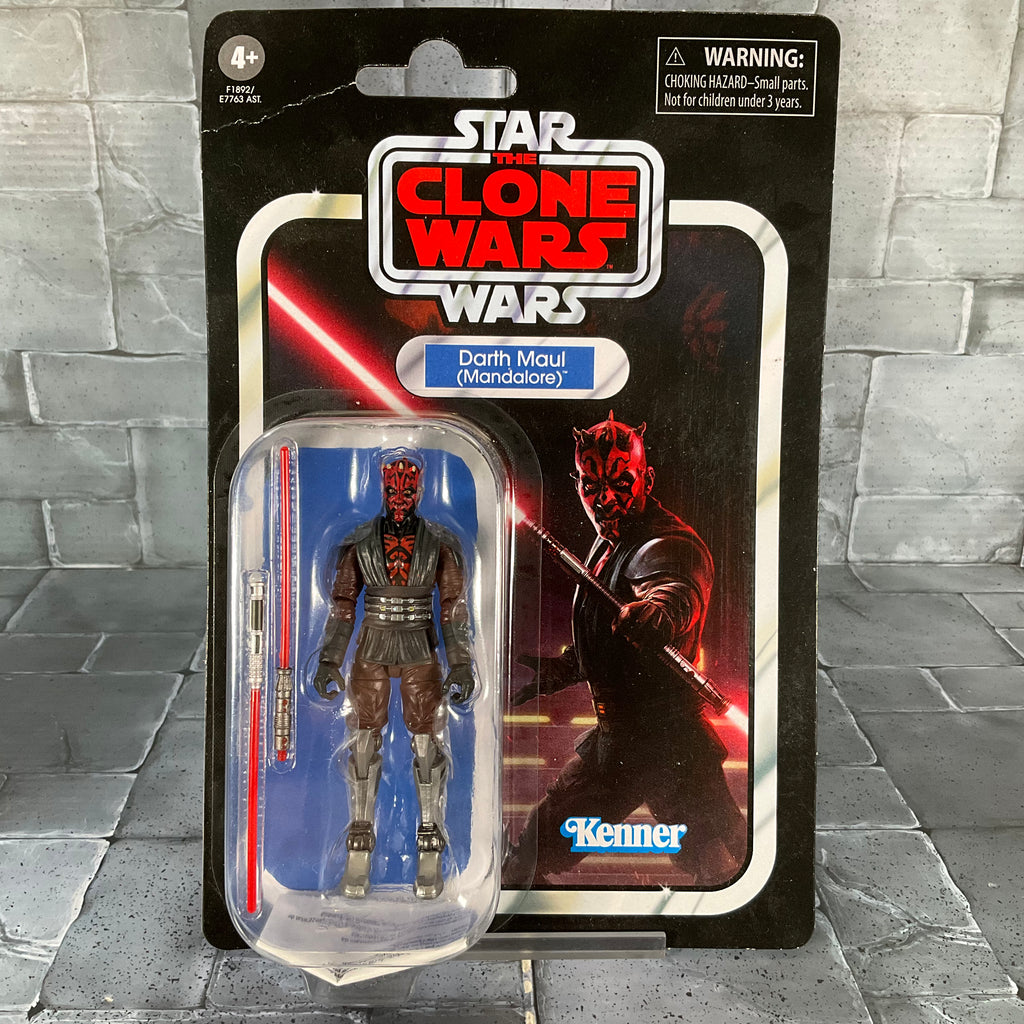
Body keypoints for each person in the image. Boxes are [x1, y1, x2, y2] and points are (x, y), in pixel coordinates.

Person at [506, 413, 746, 886]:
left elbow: (675, 589)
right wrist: (567, 668)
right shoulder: (612, 541)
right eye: (592, 485)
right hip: (623, 741)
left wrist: (658, 615)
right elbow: (609, 636)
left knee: (722, 857)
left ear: (646, 480)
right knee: (537, 846)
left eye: (620, 482)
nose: (605, 499)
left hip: (666, 743)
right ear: (578, 484)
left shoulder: (663, 543)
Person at [312, 452, 474, 899]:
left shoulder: (440, 542)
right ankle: (359, 839)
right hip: (372, 647)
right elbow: (343, 605)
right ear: (383, 489)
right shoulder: (359, 542)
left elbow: (453, 608)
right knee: (364, 743)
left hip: (421, 647)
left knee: (426, 745)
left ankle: (430, 838)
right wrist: (329, 659)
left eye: (408, 488)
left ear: (419, 490)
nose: (400, 496)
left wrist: (461, 662)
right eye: (393, 488)